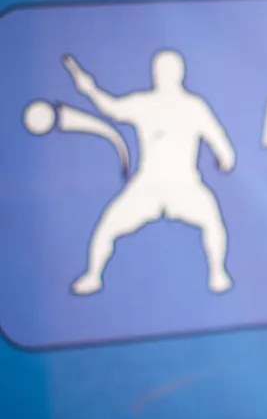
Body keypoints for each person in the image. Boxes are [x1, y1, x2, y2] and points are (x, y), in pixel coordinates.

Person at [63, 50, 236, 295]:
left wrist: (225, 158)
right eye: (160, 70)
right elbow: (111, 108)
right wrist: (89, 89)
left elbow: (218, 140)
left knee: (212, 222)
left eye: (168, 70)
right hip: (147, 185)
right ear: (154, 73)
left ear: (179, 73)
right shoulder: (143, 103)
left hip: (185, 185)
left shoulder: (194, 107)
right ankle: (93, 275)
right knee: (107, 226)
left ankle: (218, 274)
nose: (163, 75)